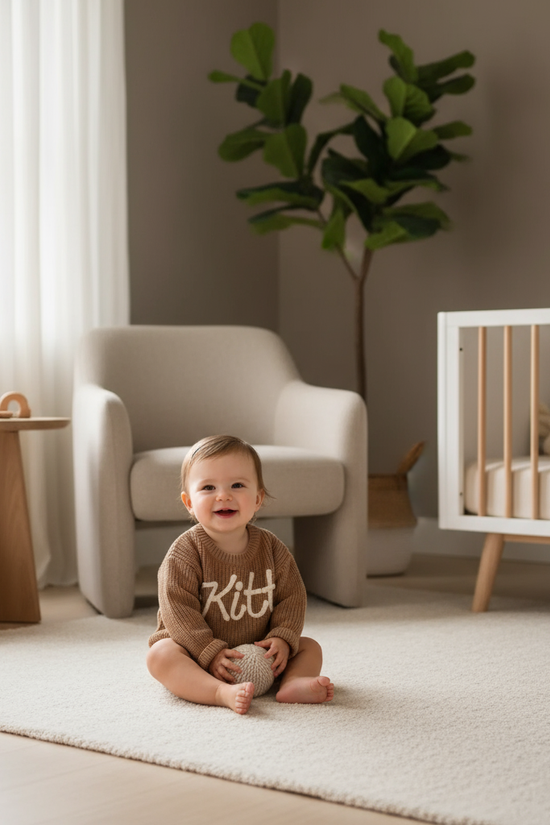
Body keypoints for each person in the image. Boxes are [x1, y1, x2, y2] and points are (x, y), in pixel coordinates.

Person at [146, 434, 334, 715]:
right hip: (198, 651)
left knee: (310, 647)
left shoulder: (272, 548)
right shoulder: (184, 553)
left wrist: (282, 637)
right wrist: (207, 651)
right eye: (208, 487)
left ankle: (293, 683)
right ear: (189, 502)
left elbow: (292, 597)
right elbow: (177, 610)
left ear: (257, 499)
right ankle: (218, 692)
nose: (224, 495)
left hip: (260, 650)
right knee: (160, 656)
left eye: (237, 485)